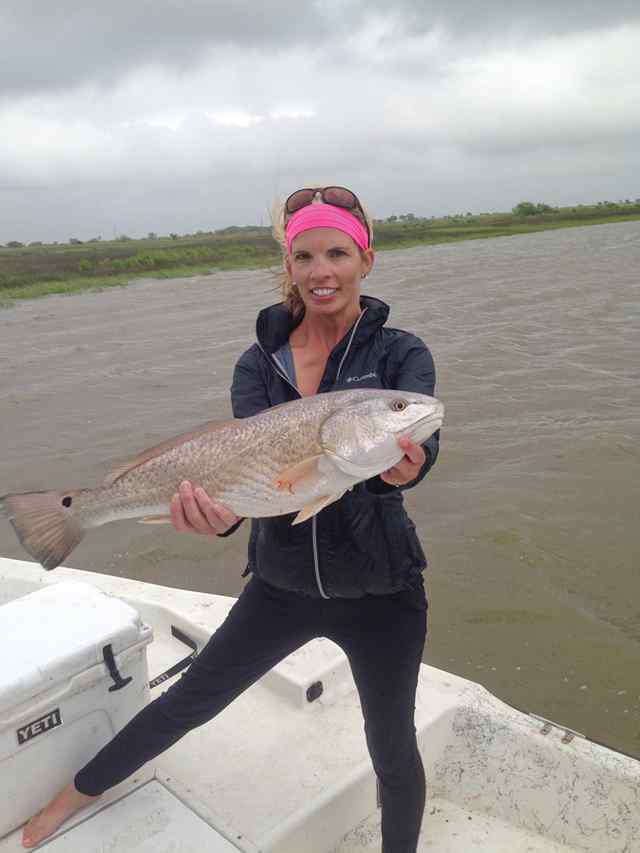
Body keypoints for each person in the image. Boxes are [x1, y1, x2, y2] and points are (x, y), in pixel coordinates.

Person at [22, 186, 439, 853]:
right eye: (306, 254)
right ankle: (74, 793)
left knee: (392, 747)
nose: (321, 268)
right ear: (291, 264)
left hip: (385, 590)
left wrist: (408, 466)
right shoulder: (257, 364)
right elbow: (243, 488)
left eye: (337, 251)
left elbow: (421, 446)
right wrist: (208, 518)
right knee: (189, 702)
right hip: (279, 587)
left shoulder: (400, 357)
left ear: (366, 259)